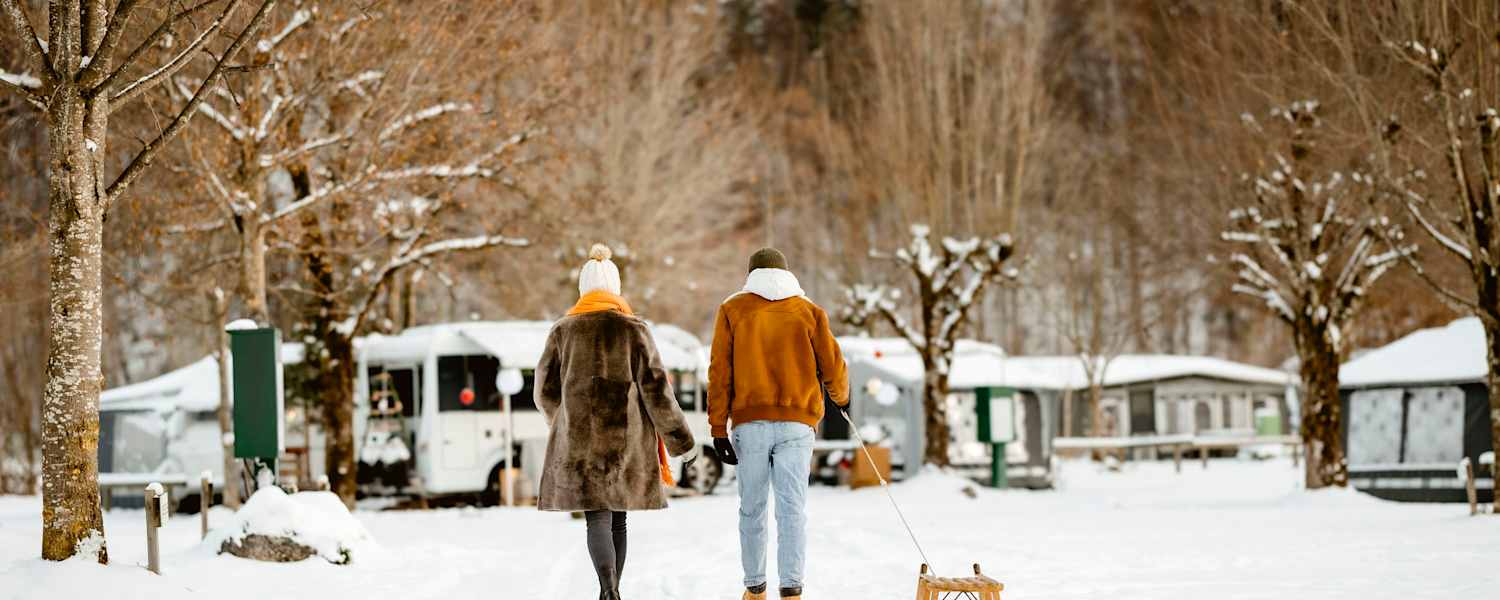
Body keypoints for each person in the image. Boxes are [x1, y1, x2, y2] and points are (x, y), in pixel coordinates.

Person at [535, 243, 698, 600]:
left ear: (583, 289)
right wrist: (681, 443)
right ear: (616, 289)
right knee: (619, 516)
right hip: (627, 441)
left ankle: (608, 590)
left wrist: (563, 422)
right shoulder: (634, 329)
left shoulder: (563, 331)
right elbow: (657, 391)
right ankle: (613, 591)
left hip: (579, 441)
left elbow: (544, 390)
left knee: (597, 517)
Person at [708, 247, 850, 600]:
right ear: (787, 274)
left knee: (752, 508)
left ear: (751, 274)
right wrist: (841, 396)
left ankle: (755, 589)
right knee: (792, 509)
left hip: (750, 422)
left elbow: (719, 372)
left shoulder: (733, 310)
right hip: (797, 424)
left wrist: (717, 426)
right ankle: (792, 589)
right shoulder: (809, 312)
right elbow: (833, 365)